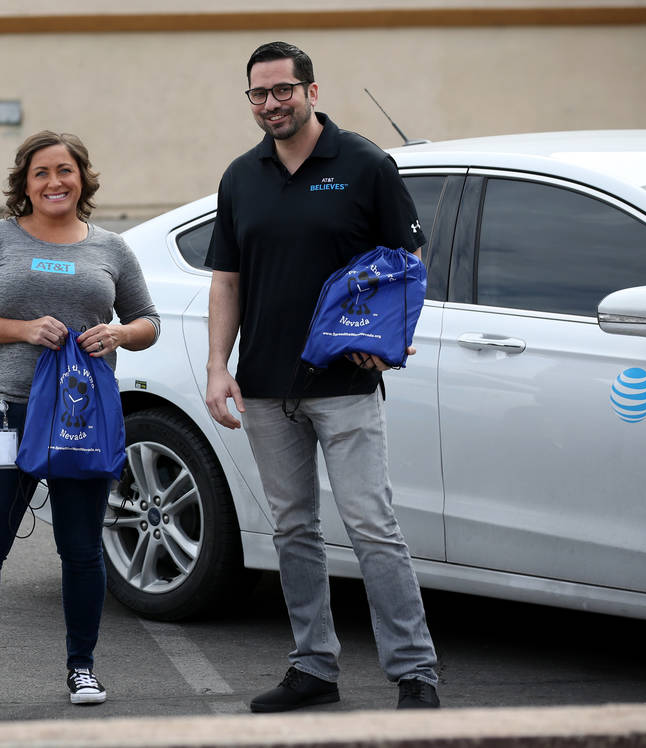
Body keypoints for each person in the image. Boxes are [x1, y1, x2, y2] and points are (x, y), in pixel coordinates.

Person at [204, 41, 441, 712]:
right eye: (259, 94)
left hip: (345, 387)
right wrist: (219, 366)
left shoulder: (364, 163)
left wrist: (389, 338)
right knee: (293, 529)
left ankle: (415, 673)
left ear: (312, 89)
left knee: (372, 525)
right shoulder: (241, 177)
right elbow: (228, 280)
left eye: (283, 90)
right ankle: (313, 668)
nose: (272, 103)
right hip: (268, 387)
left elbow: (410, 259)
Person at [0, 131, 159, 711]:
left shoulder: (111, 248)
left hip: (81, 418)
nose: (55, 182)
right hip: (10, 412)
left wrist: (120, 333)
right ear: (24, 183)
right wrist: (23, 329)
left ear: (83, 179)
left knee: (80, 550)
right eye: (42, 173)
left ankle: (82, 669)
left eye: (65, 171)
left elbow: (147, 320)